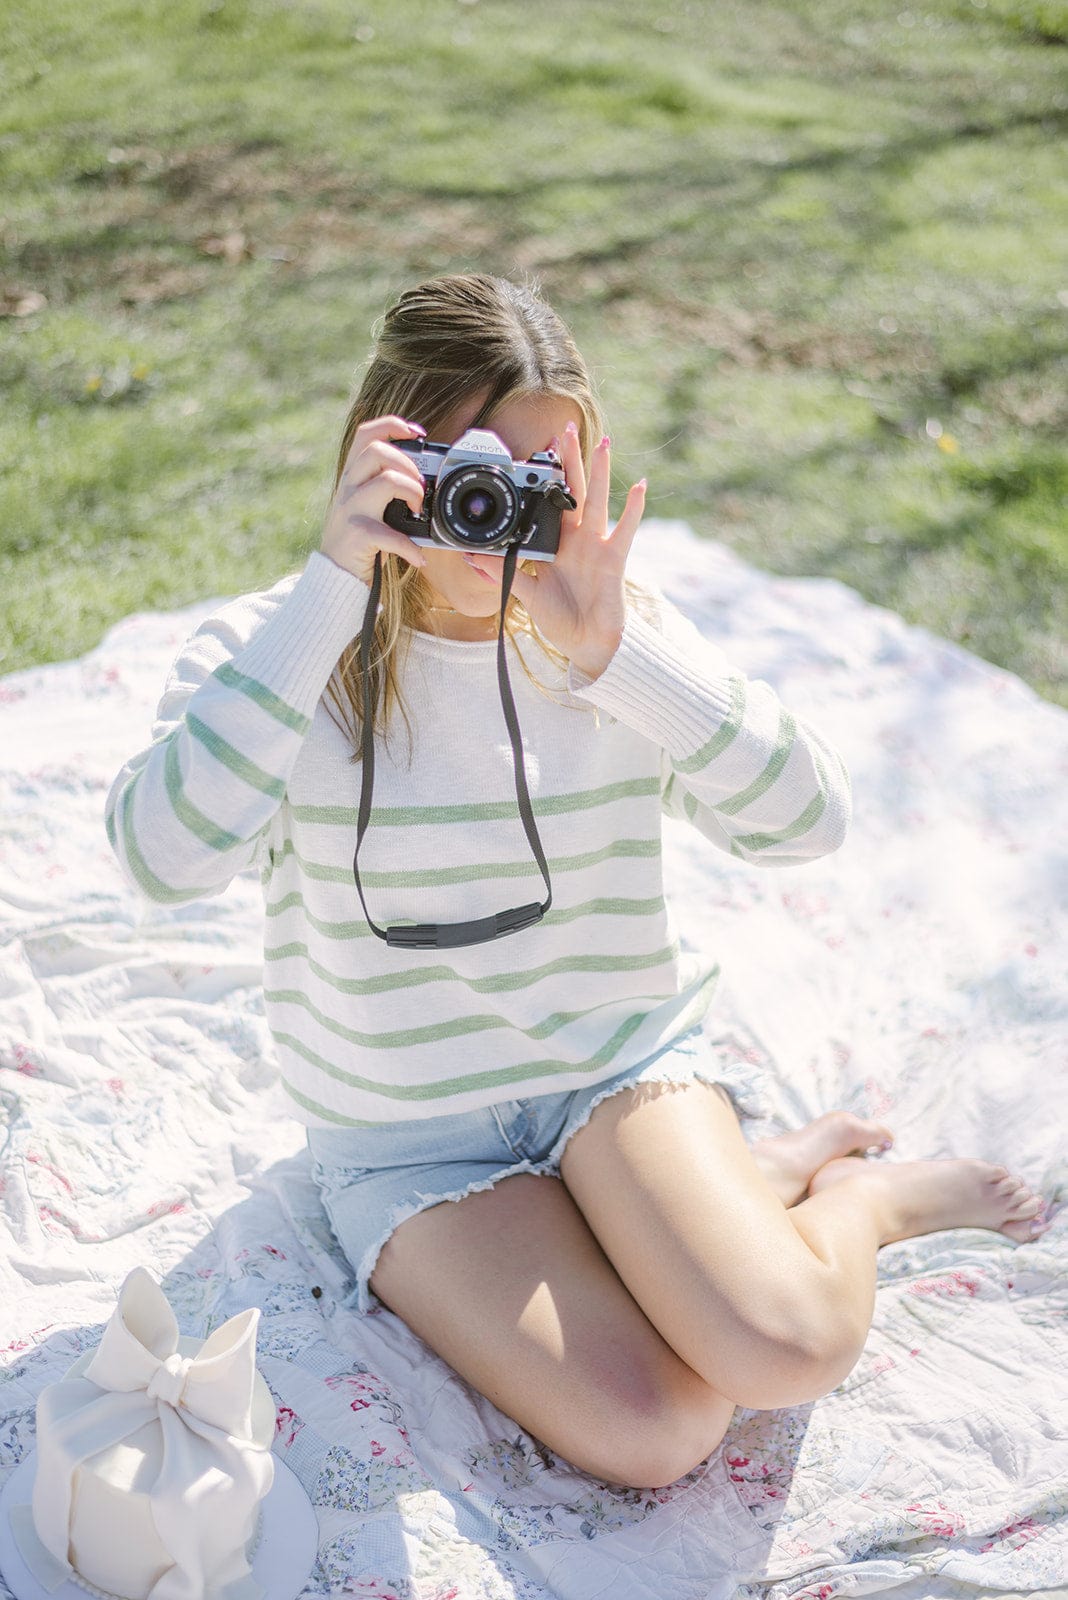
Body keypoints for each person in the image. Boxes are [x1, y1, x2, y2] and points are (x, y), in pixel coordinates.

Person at [105, 271, 1051, 1492]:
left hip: (613, 1068)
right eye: (468, 473)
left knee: (786, 1344)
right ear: (383, 455)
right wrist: (332, 587)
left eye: (539, 481)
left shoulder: (613, 632)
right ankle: (737, 1188)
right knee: (657, 1431)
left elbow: (812, 823)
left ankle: (854, 1199)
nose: (496, 515)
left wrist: (619, 657)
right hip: (412, 1143)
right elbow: (160, 860)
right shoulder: (276, 650)